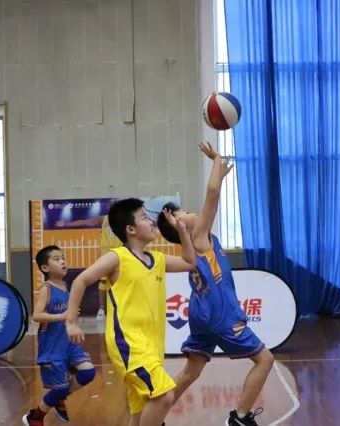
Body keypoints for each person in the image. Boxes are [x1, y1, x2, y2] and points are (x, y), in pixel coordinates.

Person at [156, 142, 274, 426]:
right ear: (179, 226)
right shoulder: (198, 235)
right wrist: (216, 159)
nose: (190, 211)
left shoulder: (195, 242)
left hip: (200, 313)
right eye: (183, 212)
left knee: (191, 371)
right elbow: (212, 194)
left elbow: (213, 194)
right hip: (220, 313)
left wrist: (220, 173)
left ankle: (155, 416)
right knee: (265, 360)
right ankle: (241, 418)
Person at [65, 198, 197, 426]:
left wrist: (183, 231)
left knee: (140, 411)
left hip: (152, 346)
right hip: (128, 343)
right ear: (131, 229)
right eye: (145, 218)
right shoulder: (117, 257)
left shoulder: (157, 259)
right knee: (165, 396)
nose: (152, 222)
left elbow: (189, 262)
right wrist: (71, 321)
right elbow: (80, 280)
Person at [23, 245, 96, 426]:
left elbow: (67, 314)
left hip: (68, 343)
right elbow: (36, 316)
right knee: (60, 388)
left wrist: (72, 317)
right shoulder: (46, 289)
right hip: (52, 346)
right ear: (45, 268)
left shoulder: (64, 286)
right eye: (56, 259)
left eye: (63, 258)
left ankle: (58, 397)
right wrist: (62, 316)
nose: (62, 261)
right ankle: (35, 417)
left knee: (88, 372)